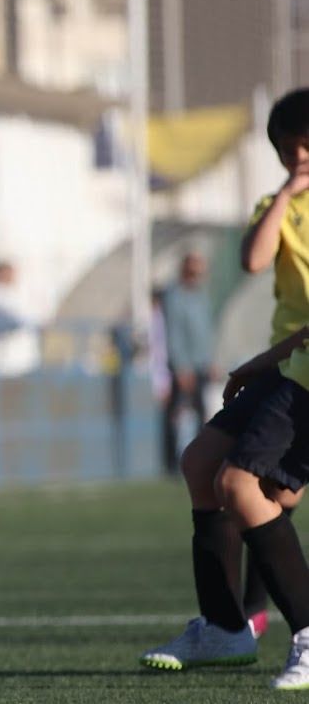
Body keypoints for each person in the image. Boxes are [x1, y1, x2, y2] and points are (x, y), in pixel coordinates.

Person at [139, 89, 309, 689]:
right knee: (201, 463)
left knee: (246, 489)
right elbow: (255, 262)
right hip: (293, 371)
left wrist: (265, 359)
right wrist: (264, 361)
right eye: (291, 150)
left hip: (302, 379)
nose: (302, 157)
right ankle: (225, 626)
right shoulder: (281, 205)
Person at [160, 252, 218, 474]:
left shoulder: (201, 296)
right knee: (176, 413)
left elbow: (205, 331)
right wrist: (181, 367)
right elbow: (174, 334)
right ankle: (171, 465)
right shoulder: (175, 296)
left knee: (201, 413)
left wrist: (210, 360)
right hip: (183, 367)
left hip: (201, 364)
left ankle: (199, 458)